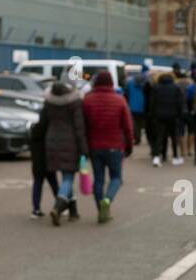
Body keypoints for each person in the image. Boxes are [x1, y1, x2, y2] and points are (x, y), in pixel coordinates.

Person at [82, 71, 134, 223]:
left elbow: (83, 125)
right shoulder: (120, 100)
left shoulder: (88, 100)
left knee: (98, 179)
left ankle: (101, 209)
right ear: (111, 83)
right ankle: (108, 200)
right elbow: (127, 127)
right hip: (115, 146)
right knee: (116, 178)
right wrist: (129, 145)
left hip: (94, 146)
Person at [42, 80, 88, 226]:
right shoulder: (74, 104)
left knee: (65, 178)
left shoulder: (48, 103)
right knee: (68, 177)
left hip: (51, 141)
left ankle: (73, 212)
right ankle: (58, 207)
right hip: (70, 143)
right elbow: (79, 127)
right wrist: (84, 148)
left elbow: (43, 122)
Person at [149, 72, 186, 167]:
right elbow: (180, 103)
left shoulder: (156, 88)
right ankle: (175, 157)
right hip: (173, 116)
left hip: (159, 116)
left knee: (159, 137)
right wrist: (180, 115)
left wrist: (152, 115)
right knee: (174, 137)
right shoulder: (176, 88)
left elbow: (152, 103)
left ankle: (156, 157)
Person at [28, 117, 58, 218]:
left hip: (37, 165)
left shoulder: (34, 131)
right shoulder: (49, 132)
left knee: (37, 186)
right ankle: (59, 207)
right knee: (54, 185)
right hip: (48, 164)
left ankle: (36, 209)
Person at [123, 63, 149, 148]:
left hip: (132, 106)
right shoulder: (147, 82)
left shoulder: (130, 82)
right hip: (144, 106)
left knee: (135, 124)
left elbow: (126, 93)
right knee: (145, 123)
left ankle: (137, 139)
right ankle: (148, 139)